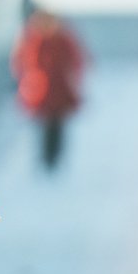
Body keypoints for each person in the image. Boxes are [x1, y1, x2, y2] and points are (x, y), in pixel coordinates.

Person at [10, 9, 87, 170]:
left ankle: (55, 157)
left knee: (57, 126)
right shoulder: (33, 40)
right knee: (43, 126)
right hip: (40, 91)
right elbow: (21, 62)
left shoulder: (63, 40)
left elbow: (76, 62)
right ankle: (45, 158)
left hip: (59, 91)